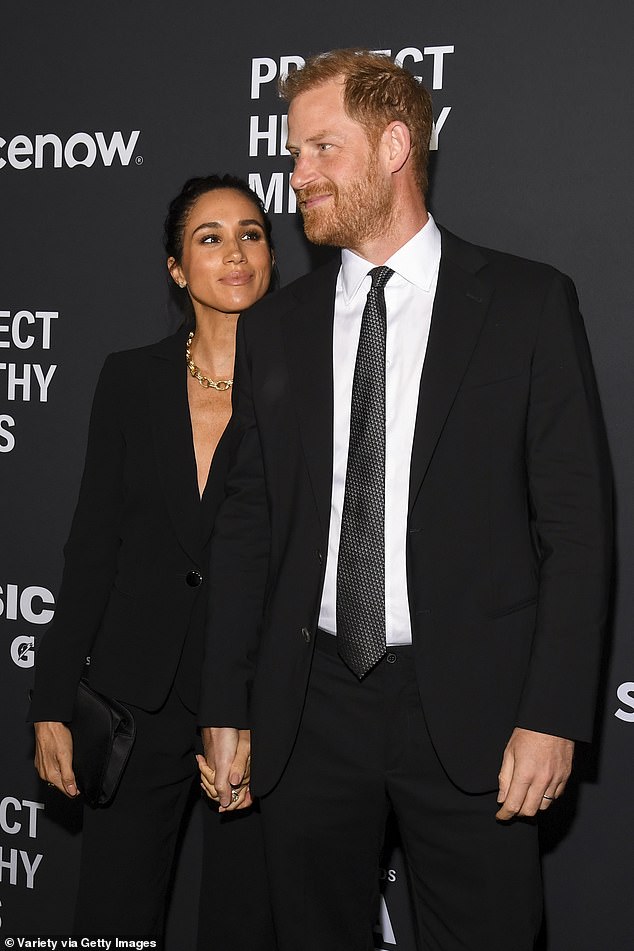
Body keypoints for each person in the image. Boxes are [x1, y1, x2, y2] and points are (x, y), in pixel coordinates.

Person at [197, 50, 613, 951]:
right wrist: (227, 702)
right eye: (292, 151)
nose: (295, 174)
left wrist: (550, 713)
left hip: (473, 711)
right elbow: (247, 523)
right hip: (307, 711)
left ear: (393, 145)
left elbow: (577, 529)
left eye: (319, 148)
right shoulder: (279, 324)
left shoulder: (527, 305)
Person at [29, 174, 277, 946]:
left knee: (246, 925)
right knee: (113, 921)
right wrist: (50, 699)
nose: (235, 253)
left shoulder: (311, 385)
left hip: (263, 702)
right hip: (138, 700)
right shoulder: (128, 378)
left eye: (252, 232)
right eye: (210, 238)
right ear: (176, 268)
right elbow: (92, 544)